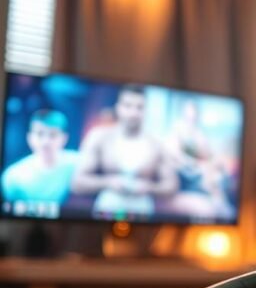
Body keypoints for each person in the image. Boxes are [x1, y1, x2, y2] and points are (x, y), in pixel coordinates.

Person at [71, 84, 178, 218]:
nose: (133, 113)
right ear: (118, 107)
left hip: (142, 216)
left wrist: (148, 187)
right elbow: (77, 182)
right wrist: (109, 182)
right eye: (128, 106)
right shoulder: (99, 137)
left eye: (140, 107)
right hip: (105, 213)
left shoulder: (156, 144)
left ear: (146, 110)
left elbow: (171, 186)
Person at [1, 109, 78, 217]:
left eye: (53, 135)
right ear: (29, 137)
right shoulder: (13, 176)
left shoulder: (78, 163)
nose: (46, 142)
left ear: (64, 138)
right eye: (40, 134)